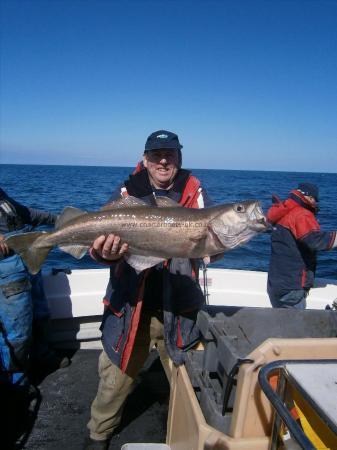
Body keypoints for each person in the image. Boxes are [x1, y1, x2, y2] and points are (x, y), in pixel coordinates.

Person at [84, 130, 212, 449]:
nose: (164, 161)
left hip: (178, 303)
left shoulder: (194, 191)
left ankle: (191, 433)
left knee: (189, 379)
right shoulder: (127, 191)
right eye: (156, 155)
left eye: (170, 154)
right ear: (145, 159)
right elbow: (96, 247)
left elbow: (209, 243)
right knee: (115, 377)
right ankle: (98, 435)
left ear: (179, 158)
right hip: (130, 303)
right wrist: (104, 252)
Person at [0, 188, 69, 387]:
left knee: (40, 313)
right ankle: (15, 381)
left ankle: (42, 355)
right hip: (7, 267)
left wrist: (59, 220)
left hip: (29, 255)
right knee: (17, 331)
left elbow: (25, 213)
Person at [267, 182, 337, 309]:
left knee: (280, 322)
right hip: (292, 286)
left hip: (275, 284)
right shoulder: (301, 214)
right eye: (316, 200)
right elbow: (315, 240)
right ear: (310, 198)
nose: (316, 203)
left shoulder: (284, 211)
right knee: (296, 327)